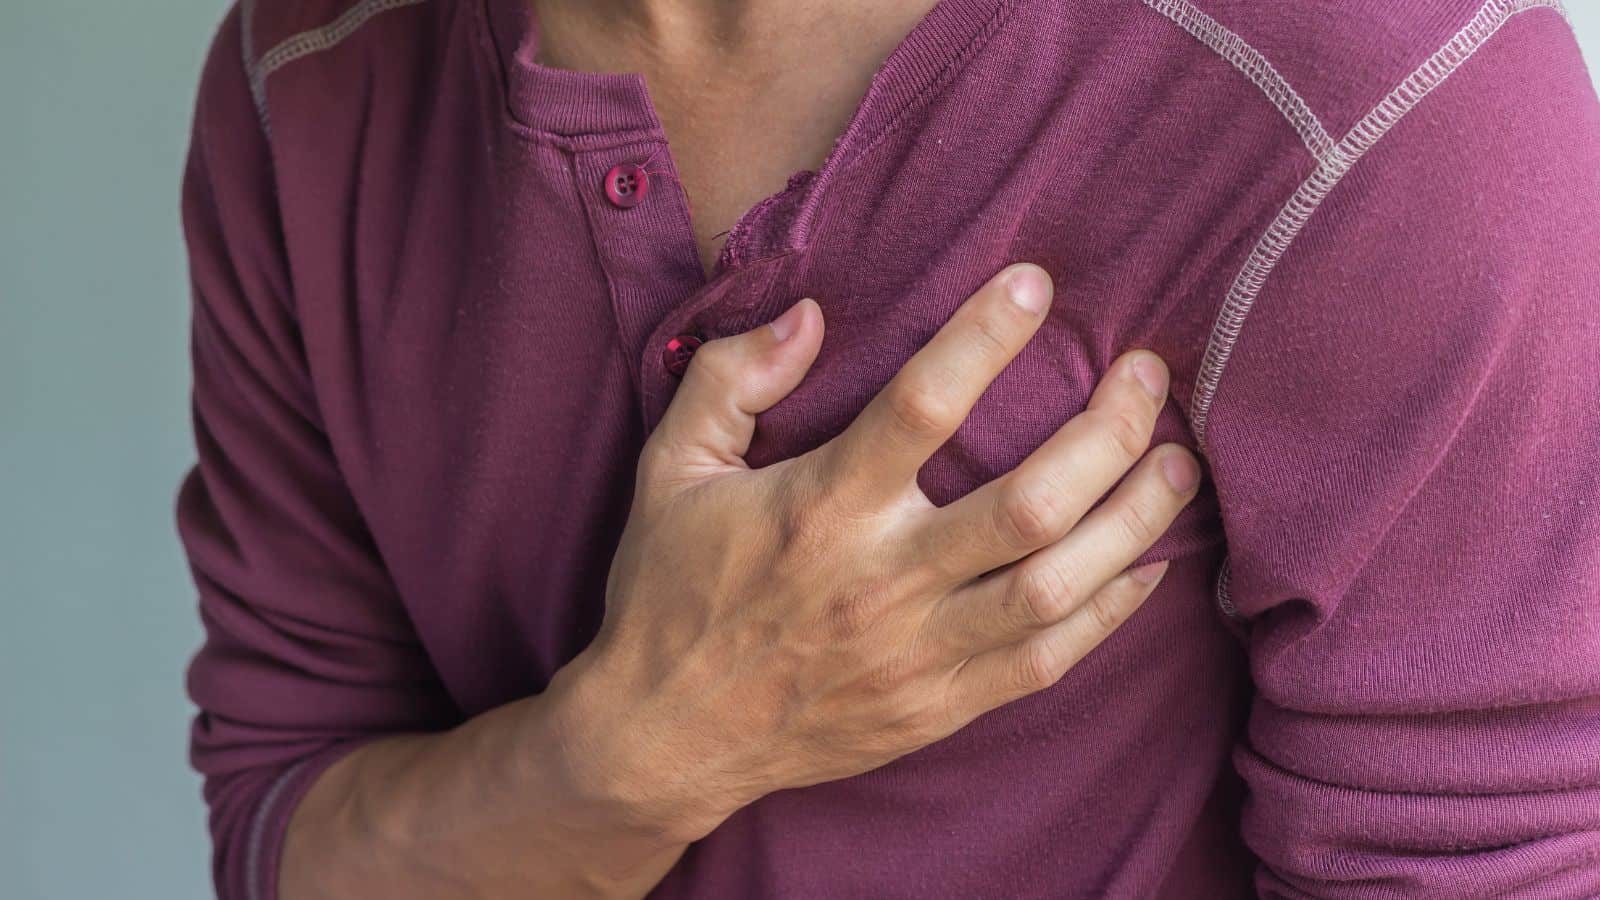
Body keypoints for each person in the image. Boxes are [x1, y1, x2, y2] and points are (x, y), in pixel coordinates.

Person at [176, 0, 1600, 897]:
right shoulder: (298, 75)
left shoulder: (1378, 87)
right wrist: (636, 756)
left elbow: (1492, 866)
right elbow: (281, 828)